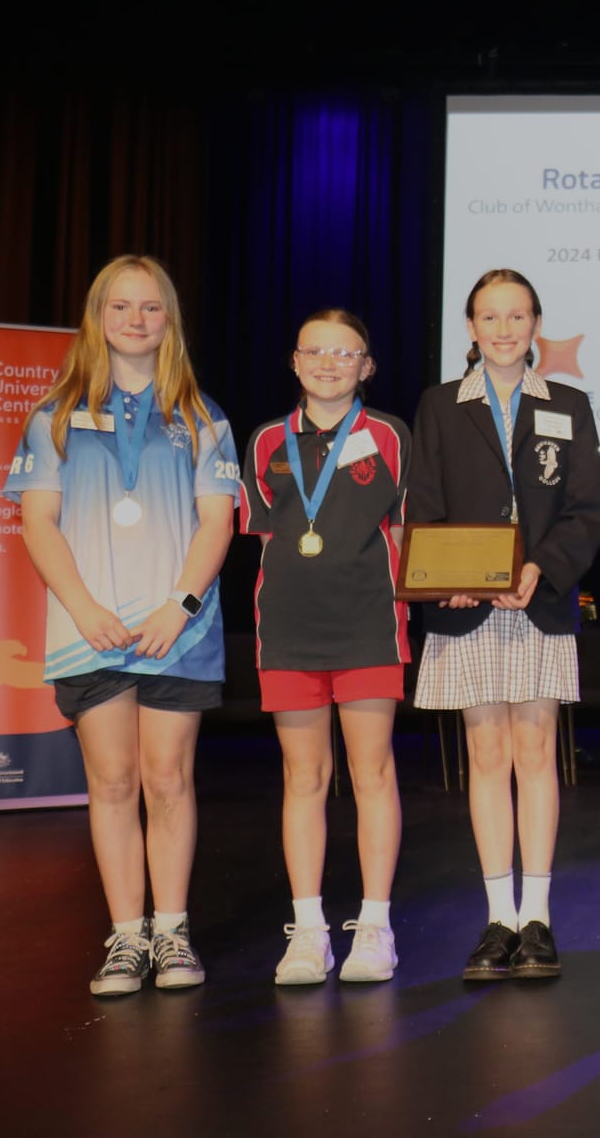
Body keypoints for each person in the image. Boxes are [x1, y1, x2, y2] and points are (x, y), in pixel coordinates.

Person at [6, 254, 238, 996]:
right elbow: (38, 523)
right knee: (111, 781)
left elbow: (218, 522)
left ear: (170, 320)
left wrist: (180, 605)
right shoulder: (53, 415)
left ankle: (171, 931)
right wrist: (82, 607)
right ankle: (126, 937)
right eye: (121, 306)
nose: (136, 320)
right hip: (91, 629)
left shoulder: (202, 416)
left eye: (151, 307)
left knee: (168, 778)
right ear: (97, 317)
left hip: (177, 631)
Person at [407, 268, 600, 982]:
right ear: (469, 327)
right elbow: (424, 504)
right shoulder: (439, 405)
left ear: (536, 325)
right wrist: (452, 576)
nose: (503, 329)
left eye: (517, 316)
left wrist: (542, 568)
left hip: (539, 602)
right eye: (489, 317)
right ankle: (499, 918)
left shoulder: (569, 404)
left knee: (536, 752)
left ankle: (538, 918)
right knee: (487, 755)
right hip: (466, 608)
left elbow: (589, 509)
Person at [240, 309, 410, 984]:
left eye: (345, 353)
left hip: (370, 624)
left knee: (372, 774)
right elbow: (265, 538)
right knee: (303, 777)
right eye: (316, 350)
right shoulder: (265, 440)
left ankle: (375, 925)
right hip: (287, 629)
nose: (329, 363)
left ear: (367, 365)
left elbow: (406, 531)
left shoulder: (390, 434)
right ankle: (308, 929)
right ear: (294, 360)